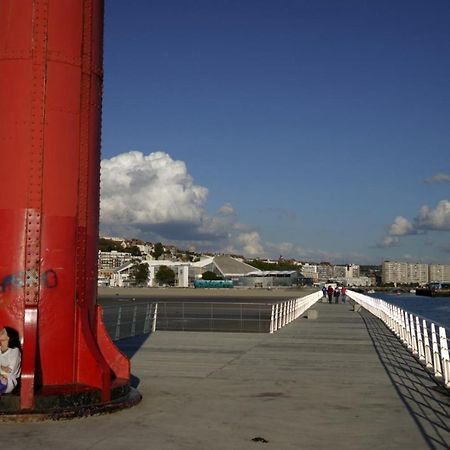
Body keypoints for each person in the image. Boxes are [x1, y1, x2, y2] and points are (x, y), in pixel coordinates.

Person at [0, 327, 21, 394]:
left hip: (8, 381)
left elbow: (11, 371)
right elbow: (6, 369)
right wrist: (2, 367)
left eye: (2, 332)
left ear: (8, 337)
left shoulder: (15, 351)